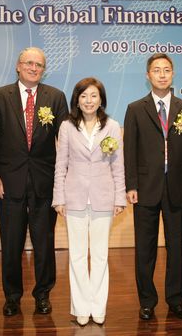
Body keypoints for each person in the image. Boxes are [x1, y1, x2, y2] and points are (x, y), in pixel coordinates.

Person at [0, 47, 69, 316]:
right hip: (8, 182)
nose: (34, 68)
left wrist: (65, 181)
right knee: (11, 242)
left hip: (45, 182)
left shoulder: (55, 97)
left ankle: (43, 294)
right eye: (29, 63)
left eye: (39, 65)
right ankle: (12, 297)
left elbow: (66, 142)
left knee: (44, 242)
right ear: (18, 66)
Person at [124, 53, 182, 321]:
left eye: (166, 70)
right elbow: (129, 150)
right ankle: (147, 301)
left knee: (177, 248)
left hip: (178, 187)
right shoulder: (135, 109)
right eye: (156, 70)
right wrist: (130, 184)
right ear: (148, 75)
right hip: (145, 188)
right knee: (145, 249)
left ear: (173, 74)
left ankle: (177, 300)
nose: (162, 74)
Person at [52, 77, 126, 326]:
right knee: (77, 256)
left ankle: (98, 306)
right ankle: (81, 307)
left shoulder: (113, 126)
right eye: (84, 96)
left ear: (101, 99)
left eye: (93, 95)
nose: (89, 101)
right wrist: (59, 198)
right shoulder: (67, 127)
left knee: (100, 255)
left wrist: (119, 198)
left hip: (104, 198)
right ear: (77, 99)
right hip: (73, 199)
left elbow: (118, 165)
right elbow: (60, 165)